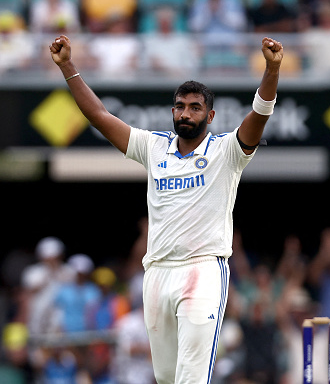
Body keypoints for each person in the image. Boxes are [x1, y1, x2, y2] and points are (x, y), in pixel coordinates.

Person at [49, 33, 284, 384]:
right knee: (166, 377)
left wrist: (272, 68)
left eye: (195, 107)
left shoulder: (227, 152)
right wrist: (68, 66)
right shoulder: (153, 147)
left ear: (210, 114)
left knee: (192, 376)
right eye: (180, 106)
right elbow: (99, 116)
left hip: (203, 269)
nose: (185, 113)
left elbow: (260, 113)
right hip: (157, 272)